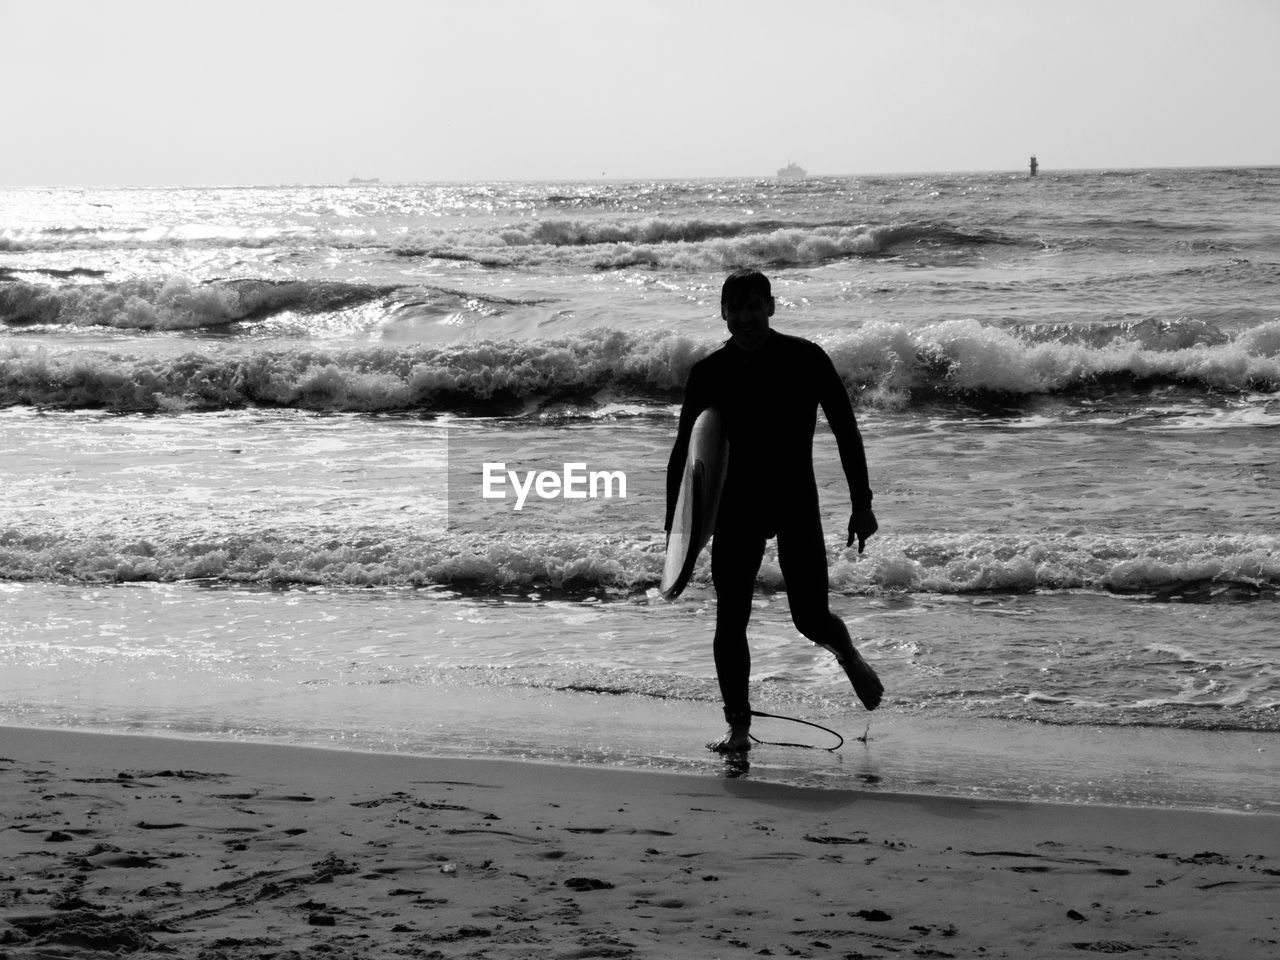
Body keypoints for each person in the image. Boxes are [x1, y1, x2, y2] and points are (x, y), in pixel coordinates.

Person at [665, 268, 883, 753]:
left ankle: (847, 653)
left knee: (809, 619)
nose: (745, 317)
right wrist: (675, 537)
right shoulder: (709, 373)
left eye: (754, 305)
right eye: (735, 308)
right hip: (736, 506)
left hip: (793, 500)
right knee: (730, 619)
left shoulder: (805, 359)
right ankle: (738, 727)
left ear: (771, 306)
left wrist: (862, 504)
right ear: (723, 313)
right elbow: (685, 455)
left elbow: (847, 431)